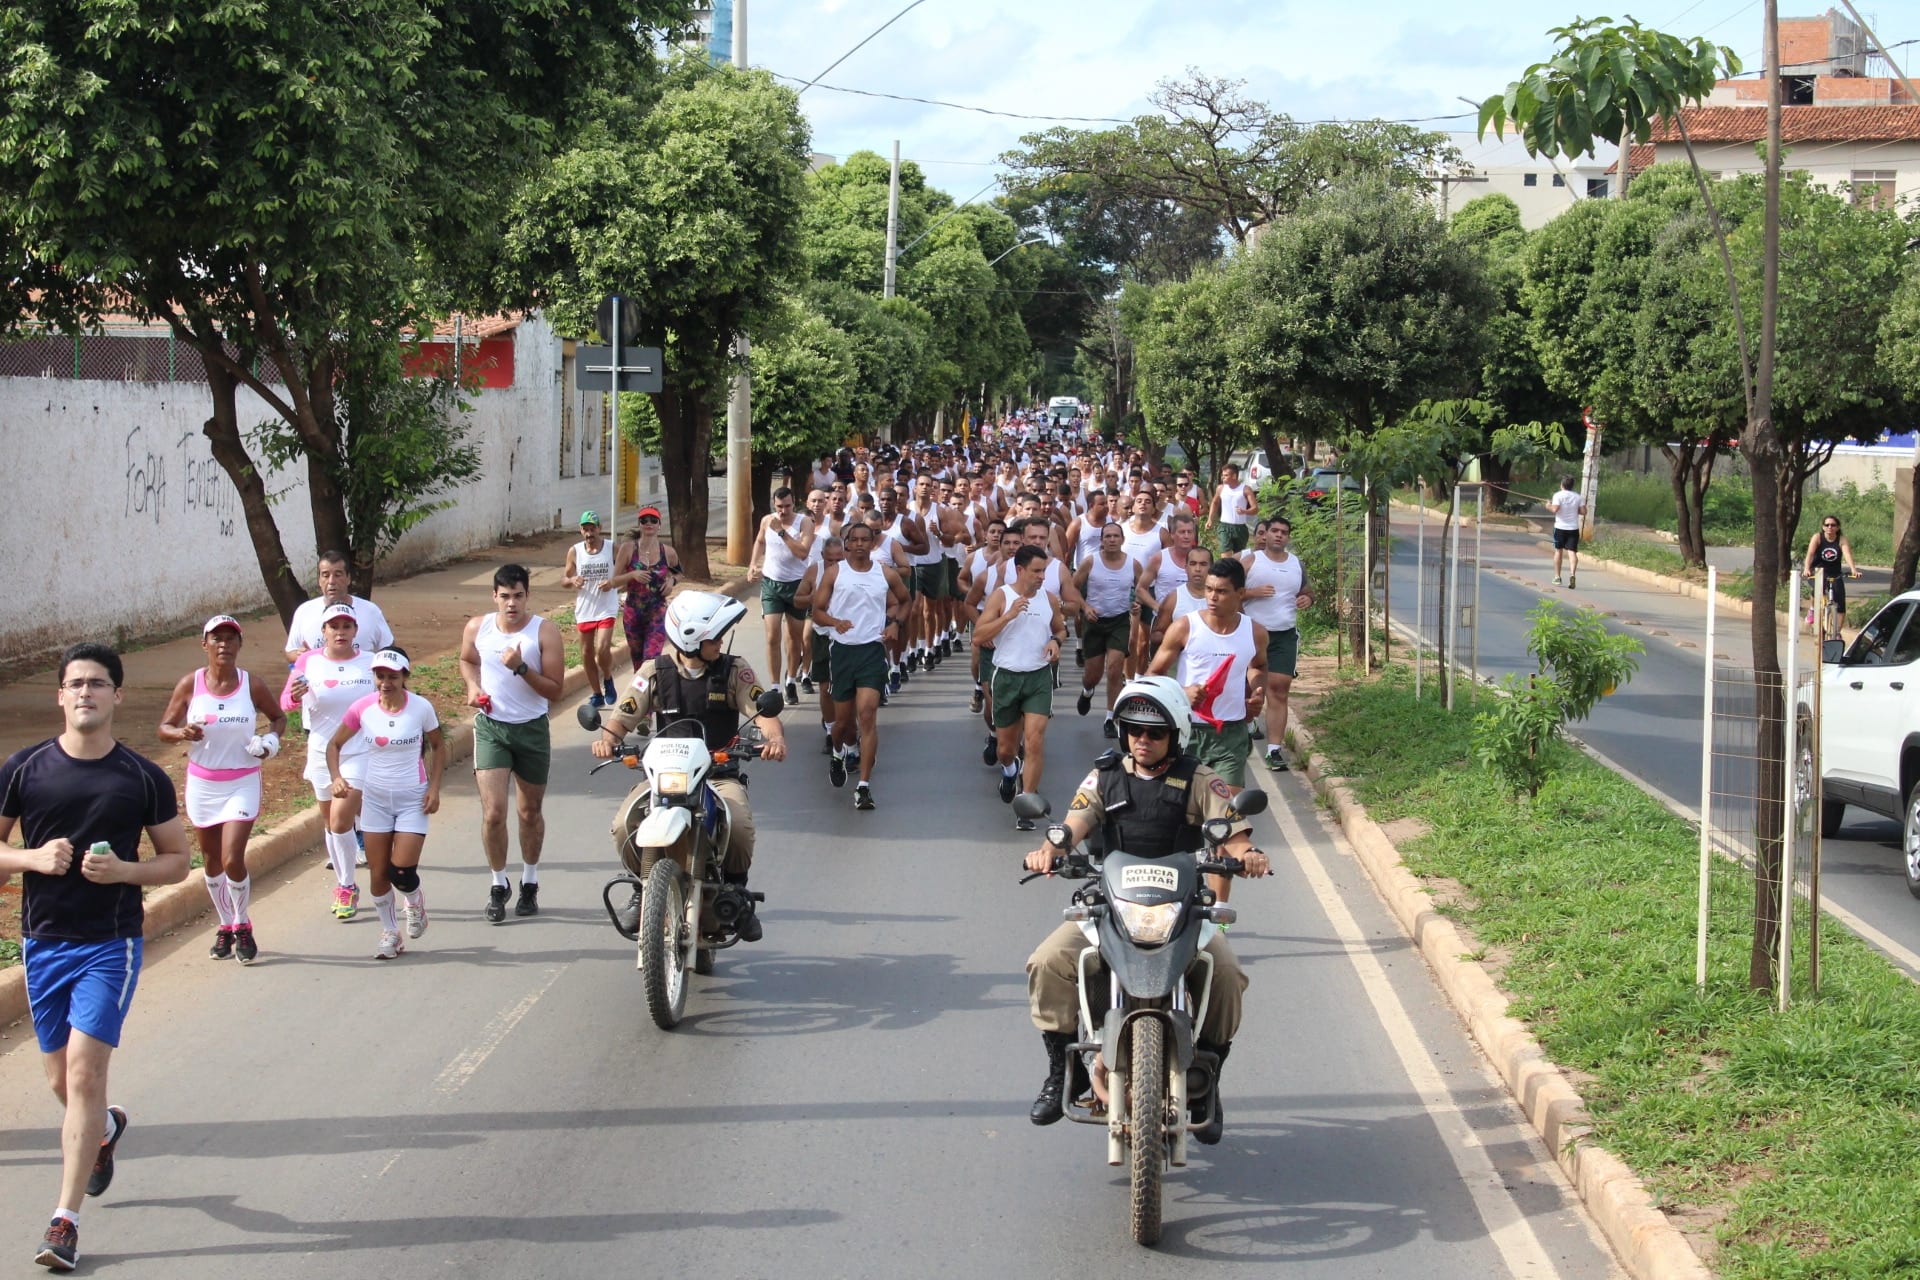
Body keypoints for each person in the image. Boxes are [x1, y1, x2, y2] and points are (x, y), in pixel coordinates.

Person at [1, 643, 190, 1271]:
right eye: (75, 683)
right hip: (42, 943)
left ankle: (64, 1222)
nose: (85, 693)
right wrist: (32, 859)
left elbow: (176, 860)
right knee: (60, 1081)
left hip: (110, 947)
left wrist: (124, 872)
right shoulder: (23, 769)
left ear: (115, 695)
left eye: (98, 683)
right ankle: (104, 1131)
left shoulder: (141, 776)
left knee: (82, 1075)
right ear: (60, 695)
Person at [1021, 676, 1270, 1139]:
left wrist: (1247, 857)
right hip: (1111, 906)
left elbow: (1232, 832)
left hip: (1184, 909)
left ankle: (1209, 1082)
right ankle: (1061, 1073)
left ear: (1176, 735)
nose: (1143, 740)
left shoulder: (1199, 778)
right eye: (1134, 729)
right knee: (1047, 962)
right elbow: (1075, 821)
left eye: (1155, 733)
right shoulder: (1105, 775)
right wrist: (1050, 850)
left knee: (1228, 975)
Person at [594, 592, 788, 939]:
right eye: (714, 636)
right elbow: (622, 716)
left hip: (717, 774)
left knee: (740, 826)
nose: (720, 642)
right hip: (664, 777)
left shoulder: (735, 670)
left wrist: (773, 739)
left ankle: (737, 894)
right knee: (625, 824)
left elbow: (763, 712)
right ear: (692, 639)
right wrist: (606, 739)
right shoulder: (654, 672)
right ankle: (642, 890)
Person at [158, 615, 287, 965]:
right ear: (205, 644)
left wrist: (270, 740)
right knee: (212, 861)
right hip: (202, 784)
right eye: (217, 638)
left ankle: (243, 922)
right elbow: (164, 727)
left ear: (239, 645)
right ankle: (225, 924)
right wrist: (182, 733)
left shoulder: (251, 685)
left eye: (231, 639)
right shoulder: (191, 684)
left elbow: (279, 717)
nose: (224, 645)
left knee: (232, 858)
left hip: (242, 780)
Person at [1151, 558, 1269, 905]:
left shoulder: (1255, 632)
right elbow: (1152, 673)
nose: (1212, 597)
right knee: (1172, 822)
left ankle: (1218, 915)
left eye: (1221, 591)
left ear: (1240, 594)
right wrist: (1181, 693)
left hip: (1230, 737)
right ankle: (1165, 899)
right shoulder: (1185, 627)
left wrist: (1256, 692)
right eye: (1208, 590)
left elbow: (1258, 666)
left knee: (1224, 822)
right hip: (1187, 735)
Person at [459, 565, 565, 923]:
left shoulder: (544, 632)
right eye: (504, 596)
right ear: (494, 597)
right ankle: (497, 884)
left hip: (531, 730)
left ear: (527, 595)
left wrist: (520, 667)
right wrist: (473, 688)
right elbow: (467, 660)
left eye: (518, 596)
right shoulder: (478, 627)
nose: (511, 604)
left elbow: (555, 689)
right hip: (492, 728)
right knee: (493, 813)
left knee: (528, 812)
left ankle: (530, 882)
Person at [328, 649, 445, 959]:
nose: (385, 682)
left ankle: (414, 899)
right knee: (378, 874)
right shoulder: (362, 708)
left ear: (405, 677)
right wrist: (336, 777)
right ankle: (391, 933)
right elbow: (334, 744)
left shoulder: (420, 708)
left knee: (402, 872)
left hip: (412, 800)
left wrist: (434, 788)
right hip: (376, 800)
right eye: (380, 676)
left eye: (393, 676)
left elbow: (438, 745)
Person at [280, 604, 376, 919]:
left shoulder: (369, 663)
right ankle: (344, 880)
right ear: (323, 632)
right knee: (329, 823)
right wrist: (294, 694)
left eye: (346, 626)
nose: (340, 632)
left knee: (340, 819)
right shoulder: (309, 661)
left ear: (355, 631)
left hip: (358, 750)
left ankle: (347, 886)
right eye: (333, 626)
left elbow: (389, 698)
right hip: (322, 749)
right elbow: (286, 702)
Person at [811, 522, 908, 810]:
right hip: (842, 652)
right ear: (848, 544)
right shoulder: (834, 573)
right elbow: (816, 612)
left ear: (872, 542)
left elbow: (905, 600)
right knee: (843, 724)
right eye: (856, 540)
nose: (862, 544)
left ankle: (863, 786)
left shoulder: (884, 573)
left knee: (867, 715)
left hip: (871, 651)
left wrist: (895, 625)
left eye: (867, 539)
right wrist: (835, 622)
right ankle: (839, 753)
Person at [974, 545, 1066, 830]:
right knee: (1006, 749)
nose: (1041, 577)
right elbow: (978, 635)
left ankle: (1026, 803)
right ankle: (1010, 770)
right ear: (1020, 570)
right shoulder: (1002, 596)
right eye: (1037, 571)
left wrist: (1056, 642)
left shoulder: (1049, 599)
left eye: (1044, 571)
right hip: (1007, 677)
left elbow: (1061, 628)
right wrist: (1008, 616)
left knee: (1035, 742)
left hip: (1038, 677)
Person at [1240, 516, 1312, 771]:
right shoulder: (1250, 562)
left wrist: (1307, 599)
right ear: (1265, 534)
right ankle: (1240, 732)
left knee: (1279, 689)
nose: (1279, 535)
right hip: (1252, 632)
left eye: (1284, 532)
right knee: (1251, 689)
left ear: (1288, 537)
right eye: (1274, 531)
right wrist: (1252, 593)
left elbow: (1307, 590)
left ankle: (1274, 750)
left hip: (1284, 634)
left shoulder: (1295, 564)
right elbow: (1228, 592)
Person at [749, 486, 817, 707]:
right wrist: (753, 565)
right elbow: (760, 541)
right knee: (772, 636)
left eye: (787, 506)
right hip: (771, 584)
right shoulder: (767, 520)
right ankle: (775, 686)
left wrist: (781, 532)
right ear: (773, 504)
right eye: (779, 507)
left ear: (793, 502)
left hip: (796, 586)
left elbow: (803, 552)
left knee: (794, 638)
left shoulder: (804, 522)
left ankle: (790, 680)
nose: (783, 511)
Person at [1072, 523, 1141, 732]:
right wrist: (1085, 607)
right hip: (1094, 622)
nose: (1112, 540)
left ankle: (1111, 718)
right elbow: (1072, 587)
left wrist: (1138, 603)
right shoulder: (1090, 562)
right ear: (1101, 540)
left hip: (1119, 621)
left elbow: (1143, 588)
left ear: (1122, 539)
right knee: (1092, 675)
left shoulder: (1133, 564)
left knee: (1114, 669)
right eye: (1107, 536)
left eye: (1115, 536)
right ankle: (1087, 691)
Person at [282, 550, 395, 661]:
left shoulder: (370, 611)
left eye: (338, 575)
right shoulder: (304, 611)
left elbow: (389, 649)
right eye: (325, 575)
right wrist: (302, 655)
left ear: (348, 578)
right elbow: (290, 652)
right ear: (319, 580)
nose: (331, 581)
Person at [562, 511, 620, 715]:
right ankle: (597, 694)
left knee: (602, 648)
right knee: (586, 652)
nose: (589, 533)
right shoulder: (575, 551)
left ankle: (607, 677)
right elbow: (565, 579)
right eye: (585, 529)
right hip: (585, 607)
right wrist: (572, 580)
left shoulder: (612, 547)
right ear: (581, 530)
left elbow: (623, 571)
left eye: (592, 528)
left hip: (607, 606)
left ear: (599, 528)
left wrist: (612, 582)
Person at [614, 506, 682, 671]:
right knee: (638, 662)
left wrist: (672, 581)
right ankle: (643, 694)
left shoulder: (668, 552)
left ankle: (654, 692)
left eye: (653, 520)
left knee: (651, 659)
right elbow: (614, 581)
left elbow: (679, 572)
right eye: (644, 520)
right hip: (633, 612)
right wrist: (632, 575)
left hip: (657, 612)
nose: (648, 523)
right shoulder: (628, 549)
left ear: (659, 524)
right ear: (639, 524)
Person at [1803, 514, 1862, 637]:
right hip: (1818, 571)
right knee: (1817, 590)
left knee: (1840, 602)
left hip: (1835, 573)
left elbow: (1847, 554)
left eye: (1833, 525)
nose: (1830, 527)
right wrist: (1807, 569)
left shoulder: (1841, 539)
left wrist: (1853, 570)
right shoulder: (1818, 537)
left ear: (1838, 527)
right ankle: (1813, 610)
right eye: (1827, 525)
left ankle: (1837, 632)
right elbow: (1810, 553)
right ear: (1823, 527)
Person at [1208, 464, 1256, 555]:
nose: (1223, 477)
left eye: (1226, 475)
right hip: (1224, 526)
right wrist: (1210, 519)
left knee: (1238, 556)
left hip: (1240, 528)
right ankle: (1225, 568)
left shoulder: (1246, 489)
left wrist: (1245, 511)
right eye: (1222, 475)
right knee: (1226, 554)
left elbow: (1255, 509)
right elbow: (1215, 502)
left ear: (1234, 476)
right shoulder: (1220, 488)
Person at [1546, 475, 1585, 588]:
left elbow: (1554, 509)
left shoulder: (1557, 495)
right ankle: (1572, 574)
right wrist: (1574, 509)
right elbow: (1583, 511)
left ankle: (1557, 577)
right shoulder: (1578, 497)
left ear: (1562, 485)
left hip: (1560, 528)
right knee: (1572, 552)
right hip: (1573, 528)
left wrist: (1548, 505)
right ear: (1572, 486)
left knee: (1558, 551)